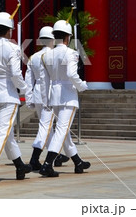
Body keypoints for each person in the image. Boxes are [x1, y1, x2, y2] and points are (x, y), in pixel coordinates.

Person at [0, 11, 32, 186]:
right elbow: (16, 74)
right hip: (8, 95)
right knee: (2, 133)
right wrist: (25, 89)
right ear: (9, 31)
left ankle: (19, 166)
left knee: (5, 133)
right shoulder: (13, 48)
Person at [38, 20, 90, 177]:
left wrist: (46, 99)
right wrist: (82, 86)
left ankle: (77, 162)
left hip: (54, 96)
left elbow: (44, 80)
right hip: (67, 95)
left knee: (63, 131)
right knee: (62, 130)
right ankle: (48, 164)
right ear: (68, 37)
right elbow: (72, 74)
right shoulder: (71, 53)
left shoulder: (46, 55)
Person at [25, 26, 70, 170]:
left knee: (48, 127)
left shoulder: (33, 57)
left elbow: (28, 80)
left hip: (37, 94)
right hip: (49, 94)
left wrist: (29, 98)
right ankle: (35, 157)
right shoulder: (53, 55)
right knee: (46, 127)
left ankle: (55, 156)